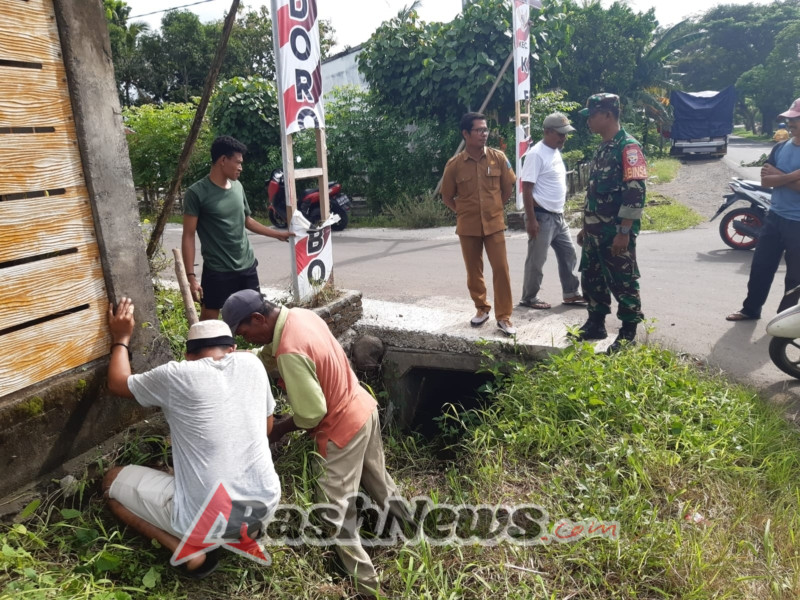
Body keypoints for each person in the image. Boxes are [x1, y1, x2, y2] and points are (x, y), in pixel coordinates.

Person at [221, 289, 411, 598]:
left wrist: (278, 430)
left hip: (341, 429)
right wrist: (244, 360)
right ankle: (415, 529)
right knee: (380, 482)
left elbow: (311, 414)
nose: (244, 339)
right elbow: (271, 353)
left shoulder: (289, 351)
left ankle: (368, 588)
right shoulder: (300, 316)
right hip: (363, 407)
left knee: (334, 512)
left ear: (258, 319)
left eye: (244, 332)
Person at [103, 299, 280, 577]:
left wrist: (121, 337)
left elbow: (117, 382)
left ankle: (188, 550)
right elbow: (267, 428)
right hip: (264, 504)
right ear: (233, 349)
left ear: (188, 355)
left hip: (207, 516)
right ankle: (245, 532)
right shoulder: (253, 365)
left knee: (112, 480)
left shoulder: (177, 374)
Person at [182, 135, 292, 321]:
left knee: (256, 313)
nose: (241, 167)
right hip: (218, 270)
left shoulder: (238, 187)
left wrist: (277, 235)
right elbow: (188, 236)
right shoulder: (197, 193)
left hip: (246, 265)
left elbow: (247, 220)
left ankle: (244, 348)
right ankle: (207, 349)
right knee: (210, 318)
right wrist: (191, 277)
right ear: (223, 160)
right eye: (238, 162)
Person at [573, 93, 647, 352]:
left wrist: (624, 232)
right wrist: (586, 225)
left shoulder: (627, 147)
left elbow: (635, 192)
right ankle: (596, 323)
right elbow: (596, 193)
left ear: (607, 114)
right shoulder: (603, 147)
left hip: (615, 232)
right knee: (592, 277)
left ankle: (628, 333)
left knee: (623, 280)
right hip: (594, 230)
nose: (589, 121)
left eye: (592, 115)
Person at [441, 112, 518, 336]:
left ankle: (504, 317)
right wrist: (464, 212)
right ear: (466, 133)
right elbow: (447, 197)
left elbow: (507, 189)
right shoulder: (454, 165)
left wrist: (494, 209)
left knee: (501, 269)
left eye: (485, 130)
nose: (484, 134)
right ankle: (481, 308)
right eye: (479, 130)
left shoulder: (498, 158)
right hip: (468, 226)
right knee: (474, 271)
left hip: (494, 224)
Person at [727, 98, 800, 322]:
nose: (790, 123)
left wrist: (779, 176)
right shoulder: (780, 147)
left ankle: (783, 322)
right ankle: (751, 310)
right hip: (774, 217)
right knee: (760, 267)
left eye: (795, 119)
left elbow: (778, 180)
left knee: (795, 278)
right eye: (789, 119)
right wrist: (792, 176)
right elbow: (766, 182)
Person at [518, 112, 586, 310]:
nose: (563, 138)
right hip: (541, 216)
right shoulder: (536, 154)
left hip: (557, 215)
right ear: (547, 132)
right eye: (560, 134)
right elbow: (527, 188)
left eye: (565, 134)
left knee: (569, 254)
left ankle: (571, 293)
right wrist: (531, 220)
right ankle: (529, 298)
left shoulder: (554, 150)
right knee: (537, 260)